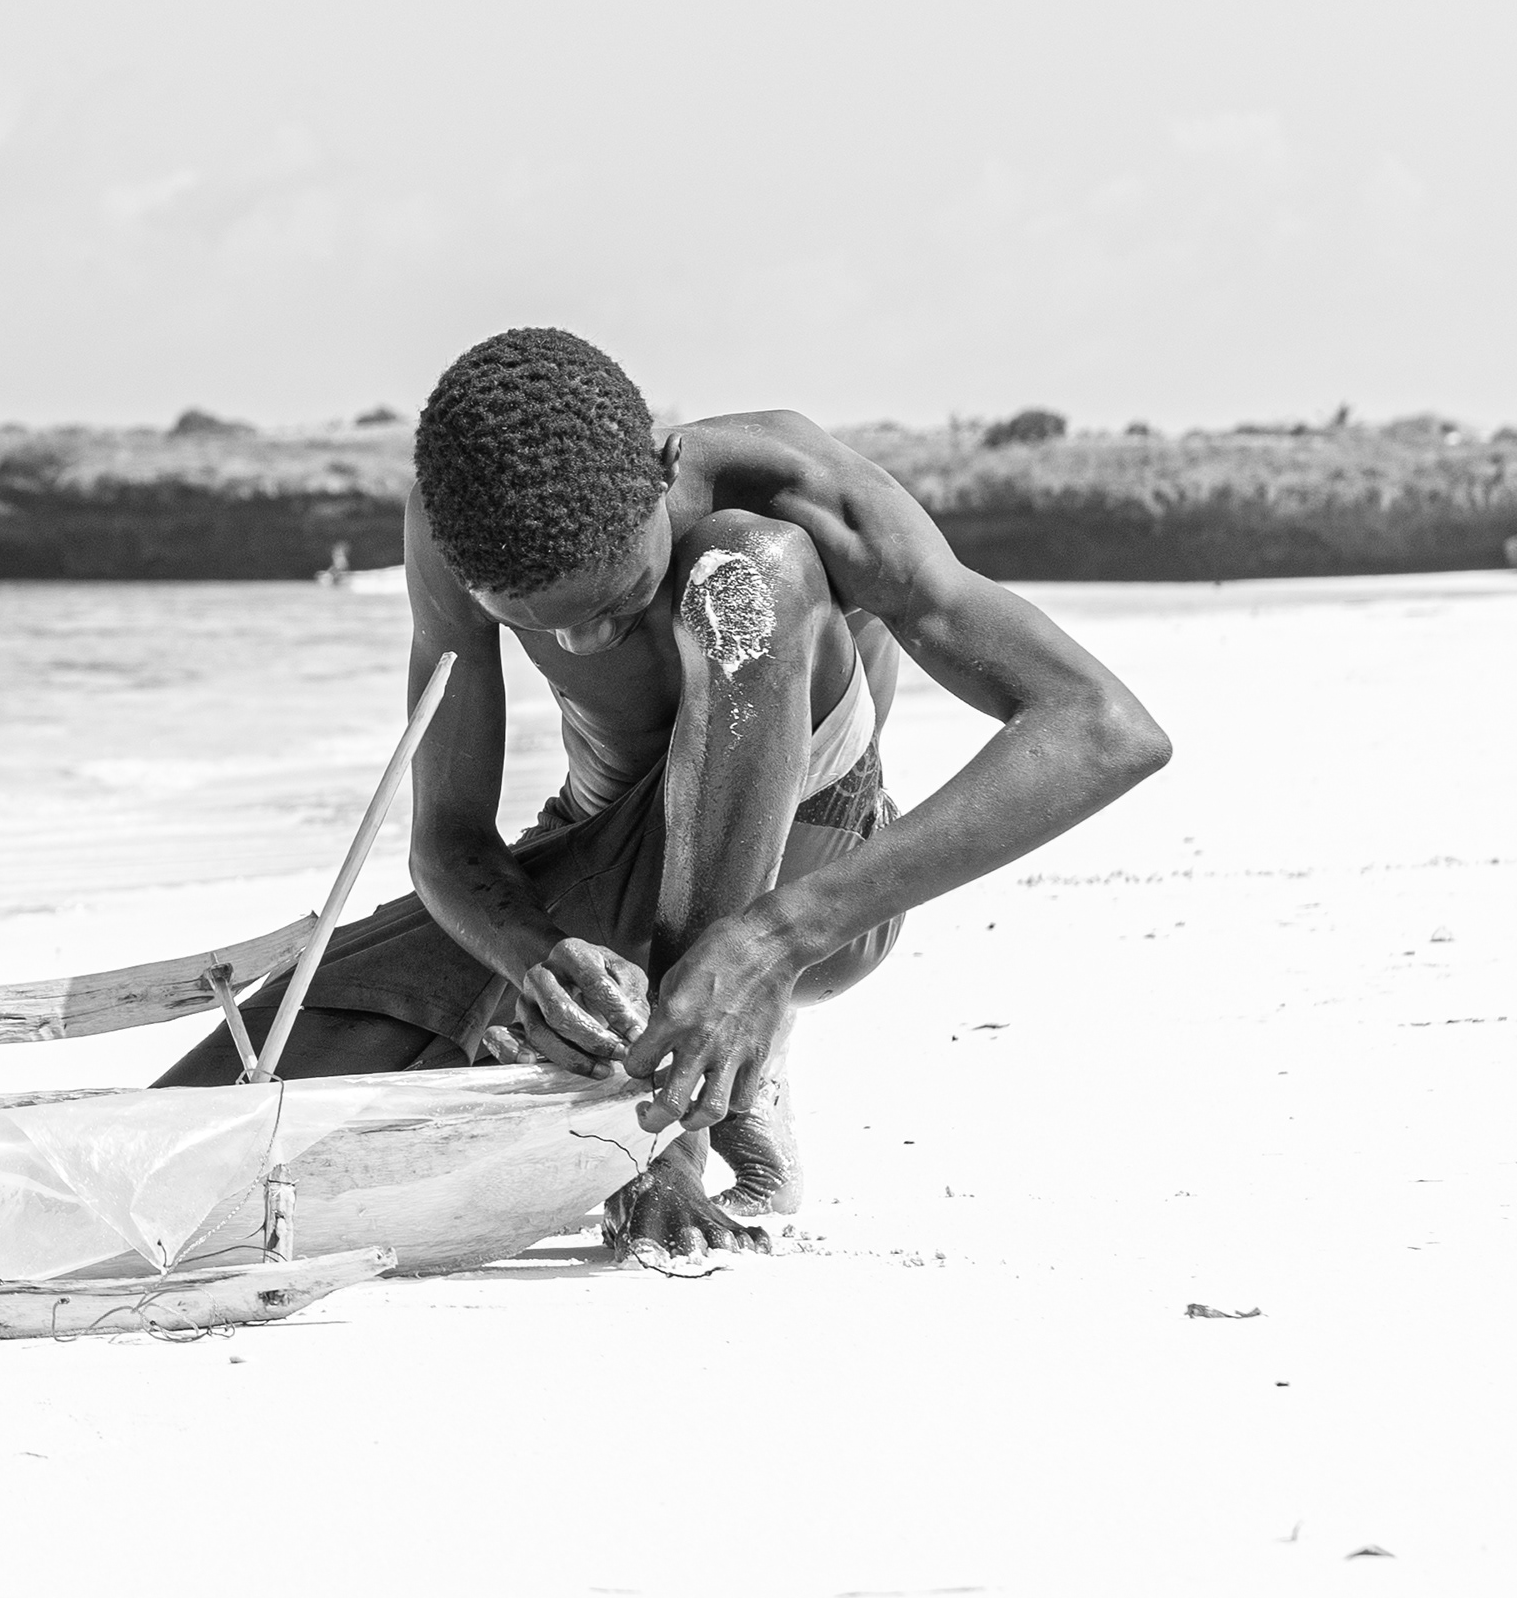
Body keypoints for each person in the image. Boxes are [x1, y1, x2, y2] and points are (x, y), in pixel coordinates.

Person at [162, 328, 1172, 1253]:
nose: (583, 643)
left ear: (656, 481)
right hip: (595, 862)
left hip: (809, 875)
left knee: (749, 579)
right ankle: (640, 1060)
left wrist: (770, 940)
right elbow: (450, 841)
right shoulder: (457, 525)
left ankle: (685, 1112)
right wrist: (533, 962)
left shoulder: (792, 489)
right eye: (541, 625)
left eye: (611, 603)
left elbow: (1101, 728)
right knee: (227, 1107)